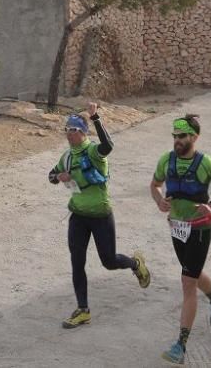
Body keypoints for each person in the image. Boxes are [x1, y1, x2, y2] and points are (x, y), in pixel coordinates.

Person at [48, 101, 150, 329]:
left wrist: (96, 118)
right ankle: (83, 310)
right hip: (78, 216)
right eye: (67, 130)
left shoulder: (94, 152)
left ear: (83, 133)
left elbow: (108, 145)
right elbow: (50, 175)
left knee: (109, 261)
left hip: (101, 215)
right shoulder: (66, 156)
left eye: (73, 130)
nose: (69, 134)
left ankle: (135, 263)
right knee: (77, 263)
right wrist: (58, 177)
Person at [149, 115, 211, 365]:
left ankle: (181, 345)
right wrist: (159, 201)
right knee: (193, 275)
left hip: (199, 228)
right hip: (176, 227)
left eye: (182, 136)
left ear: (194, 137)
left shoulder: (207, 163)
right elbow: (154, 185)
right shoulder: (166, 160)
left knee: (187, 281)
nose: (177, 140)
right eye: (175, 136)